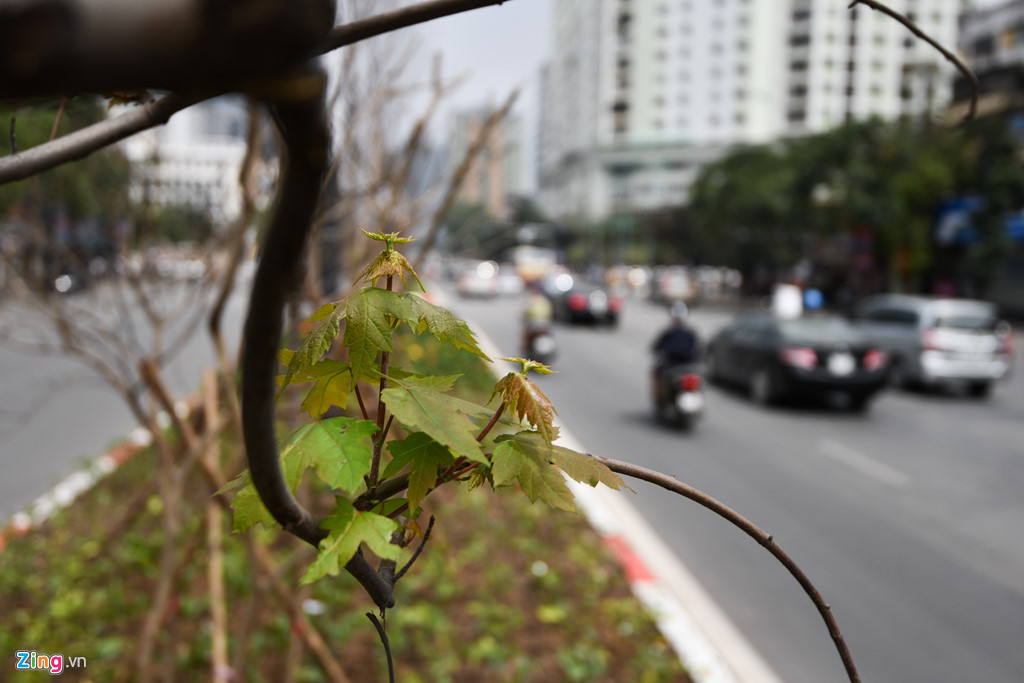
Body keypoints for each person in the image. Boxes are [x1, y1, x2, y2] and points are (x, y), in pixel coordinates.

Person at [651, 302, 701, 402]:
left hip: (676, 366)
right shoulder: (690, 332)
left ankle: (661, 399)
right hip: (686, 366)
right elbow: (699, 350)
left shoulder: (670, 332)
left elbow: (656, 347)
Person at [521, 279, 553, 354]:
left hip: (535, 324)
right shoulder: (545, 300)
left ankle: (525, 347)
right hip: (545, 323)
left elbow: (526, 311)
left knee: (525, 334)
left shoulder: (531, 299)